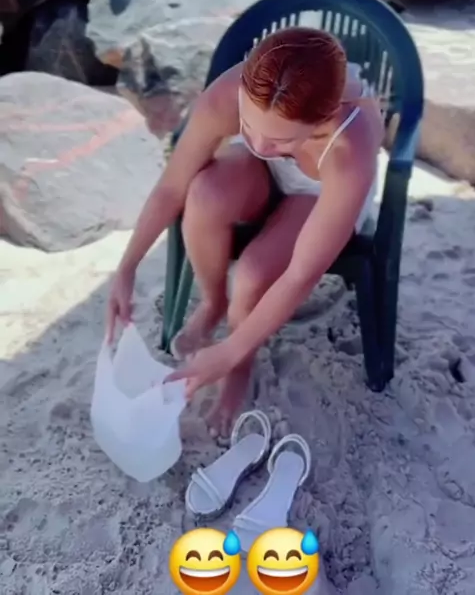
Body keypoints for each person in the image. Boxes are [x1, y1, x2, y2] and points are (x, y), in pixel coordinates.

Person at [107, 27, 384, 431]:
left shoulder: (350, 146)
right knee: (204, 194)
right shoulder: (233, 95)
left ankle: (240, 365)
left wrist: (229, 353)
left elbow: (301, 273)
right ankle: (214, 302)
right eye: (249, 126)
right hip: (268, 172)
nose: (258, 143)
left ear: (321, 120)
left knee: (253, 273)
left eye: (277, 138)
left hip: (320, 189)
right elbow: (172, 187)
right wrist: (127, 268)